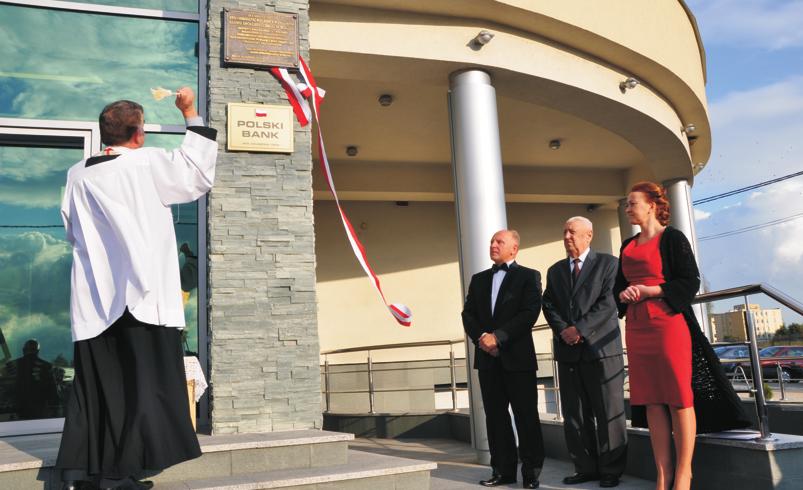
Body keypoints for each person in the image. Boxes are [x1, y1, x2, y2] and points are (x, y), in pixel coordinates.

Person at [55, 88, 218, 490]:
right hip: (143, 298)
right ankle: (123, 475)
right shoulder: (145, 164)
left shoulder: (77, 175)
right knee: (145, 390)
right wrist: (190, 112)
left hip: (97, 301)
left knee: (99, 391)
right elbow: (197, 174)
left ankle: (88, 473)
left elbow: (72, 232)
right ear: (138, 134)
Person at [613, 182, 750, 490]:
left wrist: (652, 290)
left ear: (651, 205)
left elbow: (690, 280)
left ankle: (684, 474)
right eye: (626, 204)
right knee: (651, 401)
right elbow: (617, 287)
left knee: (678, 398)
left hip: (668, 324)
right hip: (636, 327)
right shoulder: (627, 245)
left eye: (632, 203)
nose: (627, 208)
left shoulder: (672, 238)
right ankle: (663, 475)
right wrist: (624, 294)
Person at [542, 217, 627, 488]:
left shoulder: (609, 264)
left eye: (572, 232)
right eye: (564, 231)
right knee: (575, 414)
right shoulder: (555, 271)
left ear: (588, 235)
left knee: (608, 412)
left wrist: (578, 329)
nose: (567, 236)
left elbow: (608, 303)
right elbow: (549, 304)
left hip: (601, 350)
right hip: (568, 353)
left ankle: (611, 470)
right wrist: (564, 330)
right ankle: (585, 467)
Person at [462, 229, 545, 489]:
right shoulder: (478, 279)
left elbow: (529, 313)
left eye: (500, 242)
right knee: (495, 417)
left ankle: (531, 473)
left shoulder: (528, 276)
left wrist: (498, 337)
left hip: (518, 359)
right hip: (487, 360)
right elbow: (468, 315)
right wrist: (483, 339)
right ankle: (502, 471)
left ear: (514, 248)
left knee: (526, 416)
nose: (493, 245)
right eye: (492, 242)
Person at [4, 339, 59, 420]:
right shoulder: (46, 366)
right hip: (40, 413)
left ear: (23, 350)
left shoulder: (11, 366)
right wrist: (55, 412)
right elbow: (53, 394)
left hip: (16, 413)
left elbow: (5, 390)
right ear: (38, 351)